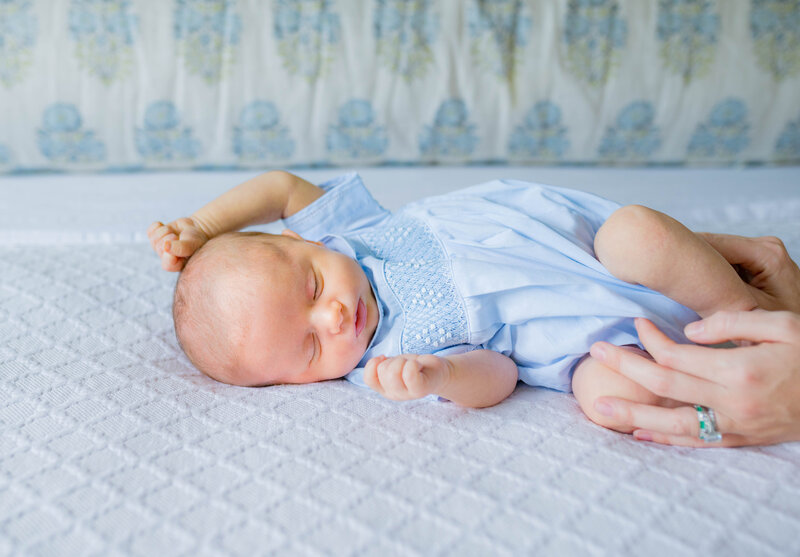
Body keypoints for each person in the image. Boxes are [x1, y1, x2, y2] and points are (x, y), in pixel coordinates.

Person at [146, 170, 777, 434]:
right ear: (294, 381)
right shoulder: (382, 367)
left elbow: (280, 186)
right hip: (576, 342)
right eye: (311, 346)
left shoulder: (357, 232)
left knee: (638, 233)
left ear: (304, 241)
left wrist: (201, 226)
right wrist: (443, 376)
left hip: (586, 252)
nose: (334, 316)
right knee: (611, 400)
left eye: (312, 288)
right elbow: (500, 375)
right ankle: (710, 369)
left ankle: (742, 311)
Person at [588, 233, 800, 447]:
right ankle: (757, 321)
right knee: (624, 395)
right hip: (586, 330)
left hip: (601, 253)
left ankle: (752, 317)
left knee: (630, 235)